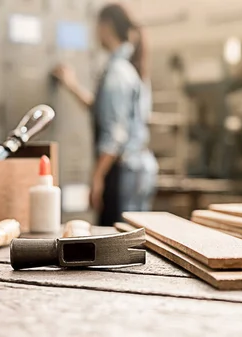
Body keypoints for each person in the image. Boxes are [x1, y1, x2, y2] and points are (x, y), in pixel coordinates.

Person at [53, 3, 158, 226]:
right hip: (137, 167)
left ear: (106, 26)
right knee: (134, 241)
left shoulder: (117, 73)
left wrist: (97, 177)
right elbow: (105, 110)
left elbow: (115, 133)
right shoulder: (130, 68)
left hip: (122, 172)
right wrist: (72, 86)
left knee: (118, 244)